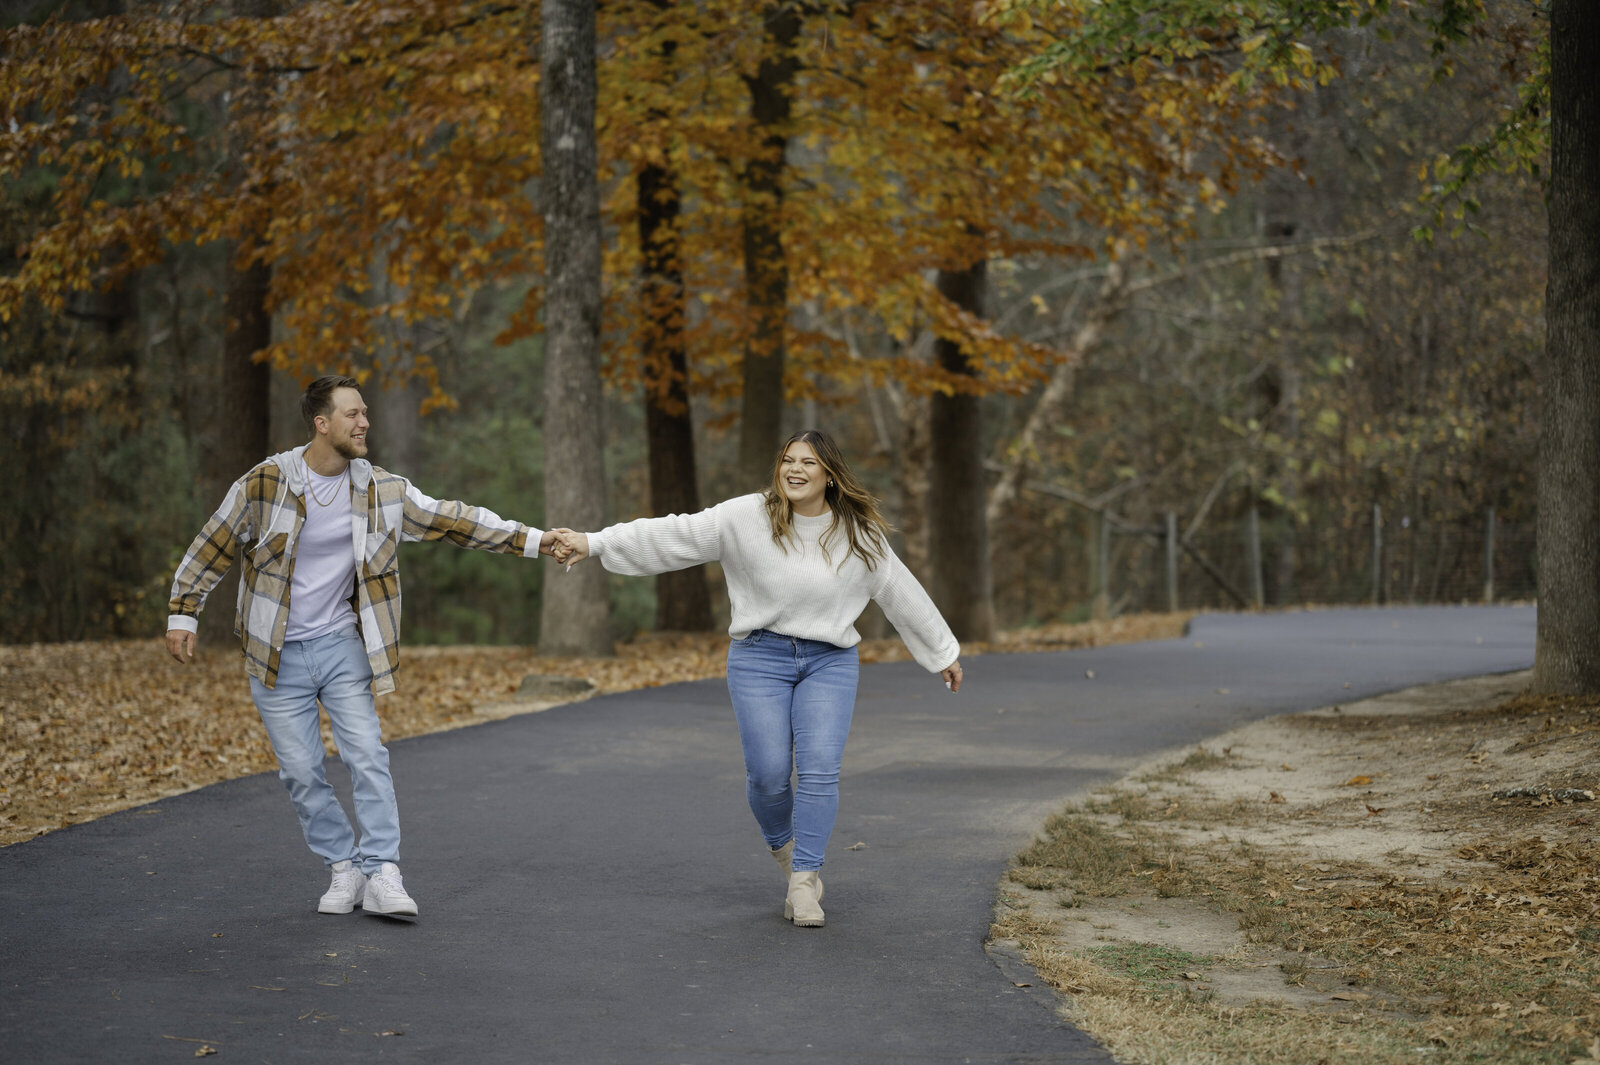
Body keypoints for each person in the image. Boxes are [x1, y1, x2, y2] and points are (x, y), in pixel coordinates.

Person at [165, 375, 558, 918]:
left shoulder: (382, 489)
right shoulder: (266, 483)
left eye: (365, 413)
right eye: (352, 414)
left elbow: (456, 520)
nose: (364, 422)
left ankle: (382, 871)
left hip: (343, 646)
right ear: (321, 423)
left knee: (367, 756)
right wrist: (183, 612)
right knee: (301, 772)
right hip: (275, 656)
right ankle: (343, 868)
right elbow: (214, 542)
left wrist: (535, 541)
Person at [552, 429, 963, 928]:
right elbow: (673, 534)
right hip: (758, 657)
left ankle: (806, 881)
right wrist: (594, 542)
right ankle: (788, 853)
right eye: (788, 460)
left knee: (818, 771)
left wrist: (942, 651)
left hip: (829, 661)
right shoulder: (746, 516)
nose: (794, 469)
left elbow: (900, 591)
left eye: (808, 463)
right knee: (769, 776)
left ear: (829, 475)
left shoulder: (859, 533)